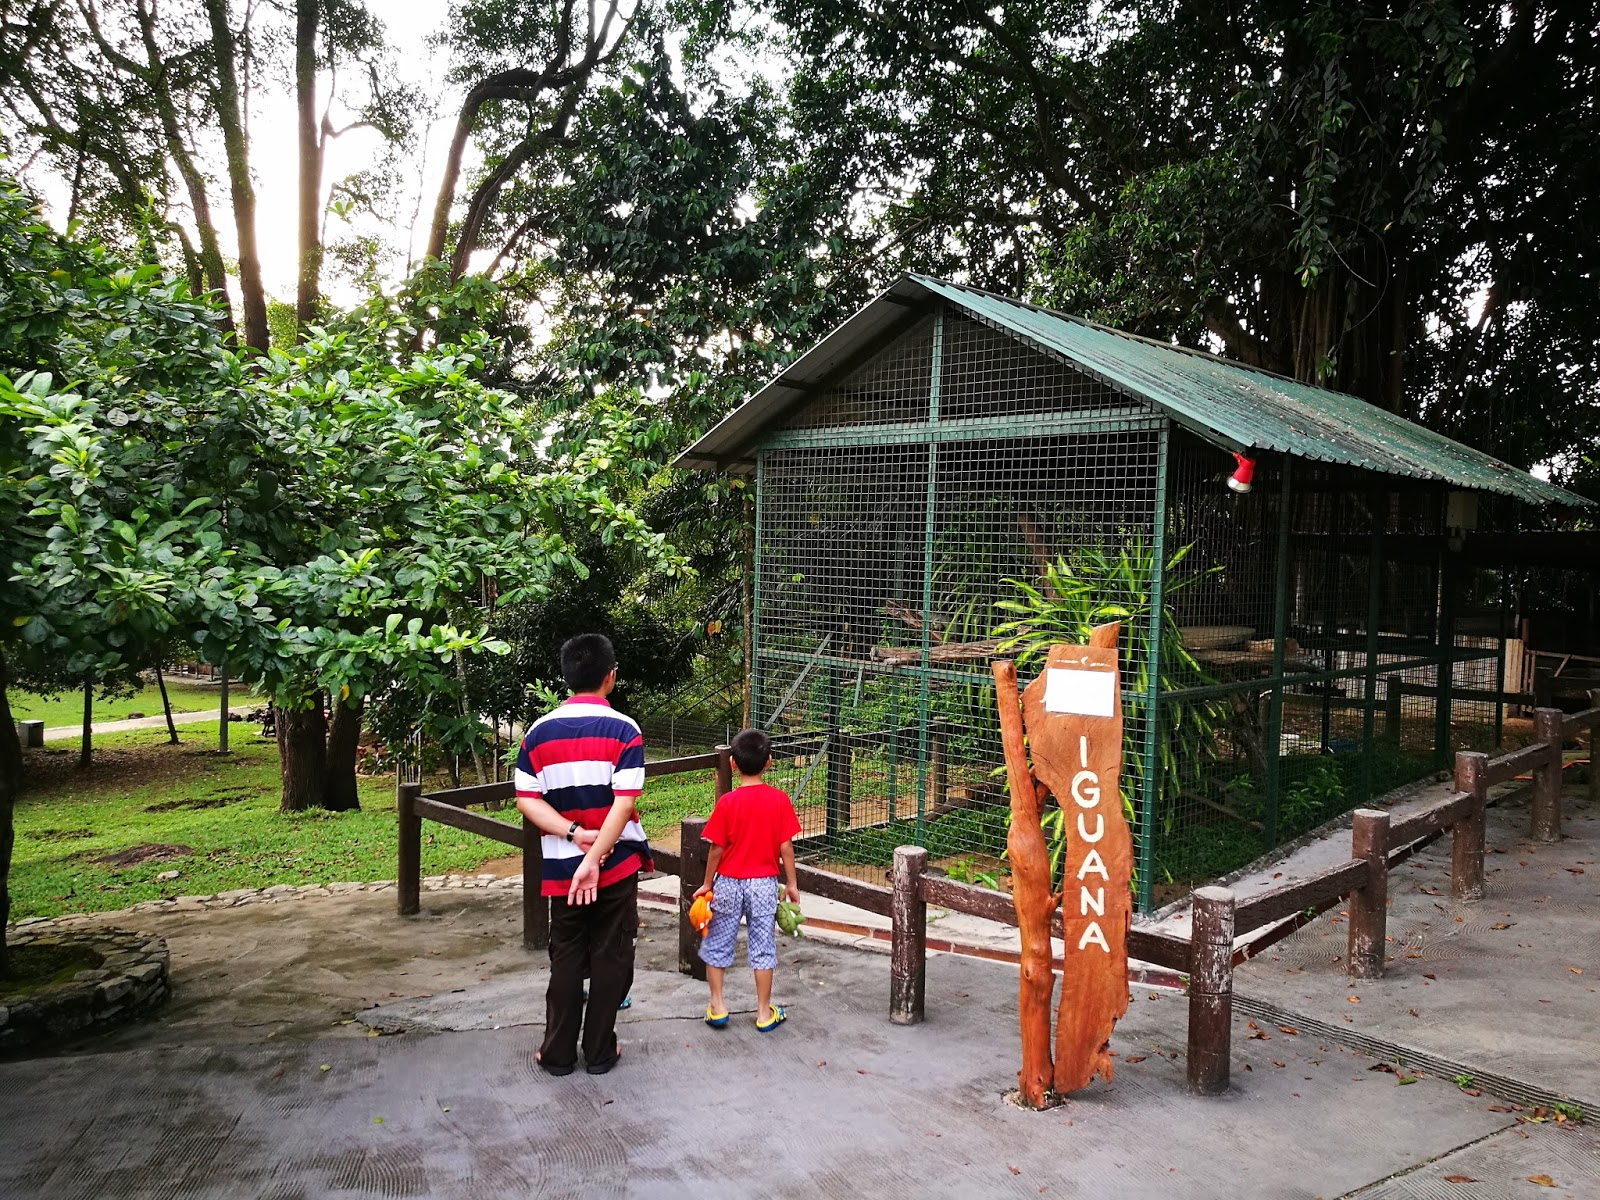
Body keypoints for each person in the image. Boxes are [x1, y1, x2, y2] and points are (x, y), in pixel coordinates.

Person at [514, 633, 649, 1076]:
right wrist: (596, 857)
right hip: (614, 864)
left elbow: (527, 798)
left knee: (566, 955)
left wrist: (574, 836)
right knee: (611, 953)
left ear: (567, 677)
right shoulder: (624, 730)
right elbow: (624, 802)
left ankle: (556, 1053)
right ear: (611, 676)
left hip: (561, 867)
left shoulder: (538, 733)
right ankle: (600, 1050)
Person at [693, 728, 801, 1032]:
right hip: (764, 884)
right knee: (762, 946)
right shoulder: (778, 800)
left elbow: (717, 847)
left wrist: (707, 882)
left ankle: (718, 1006)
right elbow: (786, 848)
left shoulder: (727, 803)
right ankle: (764, 1012)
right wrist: (791, 883)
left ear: (732, 764)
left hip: (728, 882)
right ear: (769, 762)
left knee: (717, 941)